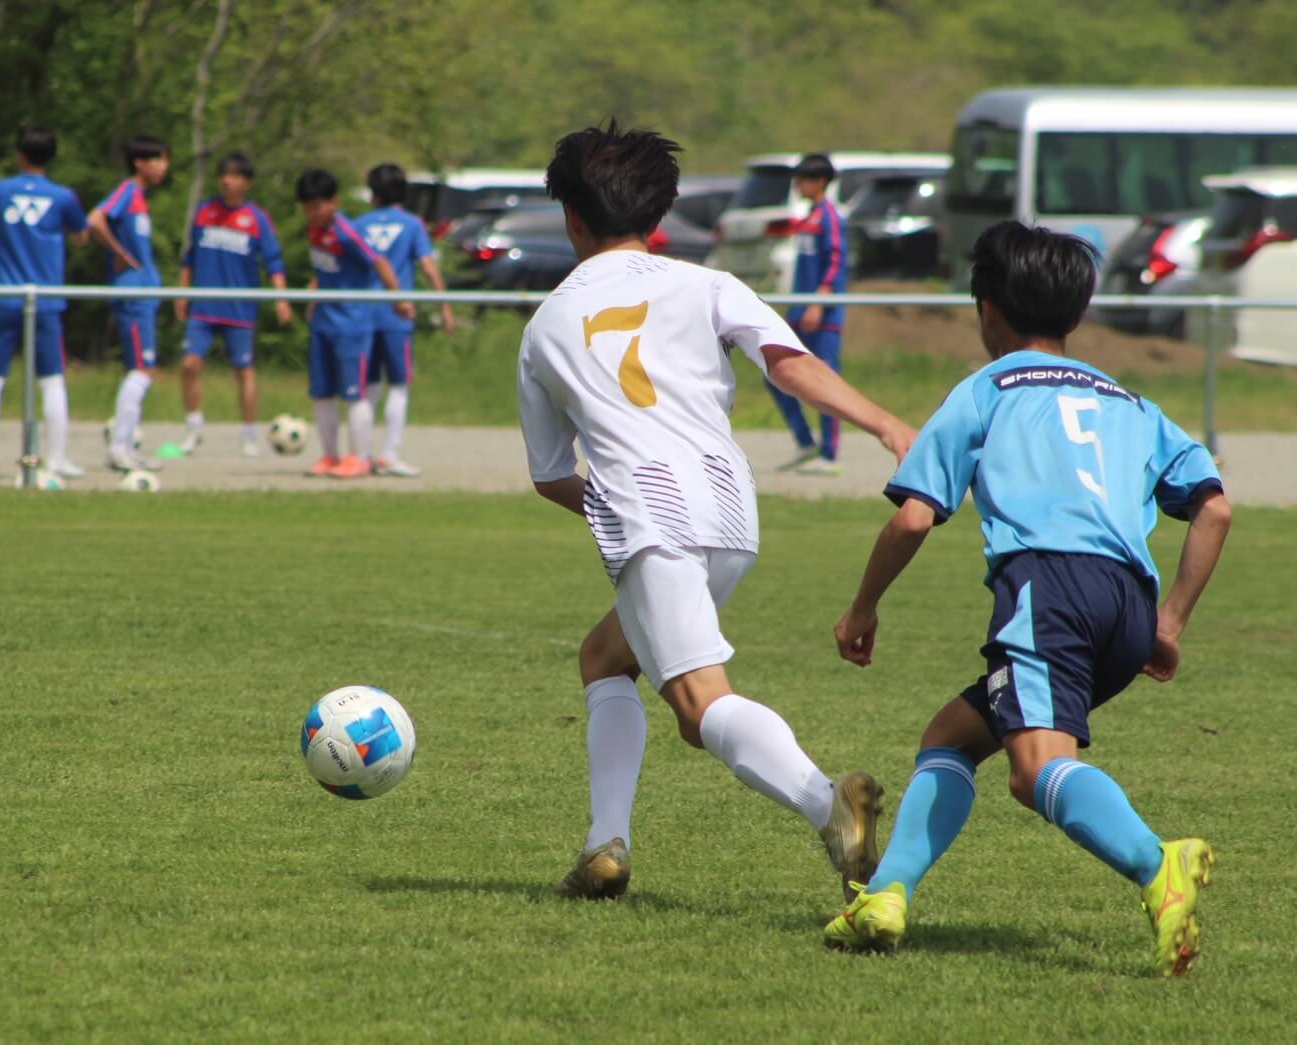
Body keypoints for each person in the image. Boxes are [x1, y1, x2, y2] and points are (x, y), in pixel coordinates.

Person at [516, 121, 916, 901]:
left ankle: (827, 805)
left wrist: (615, 505)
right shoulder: (705, 283)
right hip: (730, 505)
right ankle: (604, 844)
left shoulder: (546, 324)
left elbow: (549, 474)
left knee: (700, 706)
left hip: (646, 509)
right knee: (605, 658)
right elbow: (786, 363)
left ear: (571, 218)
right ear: (656, 215)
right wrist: (882, 423)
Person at [824, 221, 1231, 978]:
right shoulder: (1131, 403)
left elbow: (914, 513)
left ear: (986, 311)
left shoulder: (987, 388)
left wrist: (862, 608)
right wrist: (1168, 622)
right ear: (1075, 316)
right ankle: (882, 894)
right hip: (1126, 600)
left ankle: (1156, 862)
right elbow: (1213, 507)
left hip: (1048, 588)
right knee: (949, 734)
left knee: (1033, 767)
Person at [0, 127, 89, 480]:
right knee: (52, 379)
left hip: (4, 296)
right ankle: (57, 459)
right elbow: (81, 237)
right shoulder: (64, 197)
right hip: (45, 299)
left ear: (19, 154)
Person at [175, 152, 291, 457]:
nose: (228, 181)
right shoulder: (205, 211)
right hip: (204, 304)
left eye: (236, 175)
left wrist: (281, 298)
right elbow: (189, 257)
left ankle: (249, 434)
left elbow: (274, 262)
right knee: (190, 364)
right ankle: (193, 427)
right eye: (224, 174)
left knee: (243, 369)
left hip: (239, 307)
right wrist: (182, 292)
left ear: (247, 182)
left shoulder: (256, 218)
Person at [296, 168, 405, 479]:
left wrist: (398, 298)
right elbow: (330, 269)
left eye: (316, 206)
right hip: (323, 321)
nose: (311, 213)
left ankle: (359, 457)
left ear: (333, 202)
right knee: (322, 391)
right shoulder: (314, 231)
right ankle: (330, 455)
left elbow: (380, 262)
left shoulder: (348, 231)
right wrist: (315, 293)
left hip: (352, 323)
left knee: (353, 392)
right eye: (306, 207)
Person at [354, 163, 454, 477]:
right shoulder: (411, 224)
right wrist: (444, 307)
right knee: (398, 384)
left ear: (373, 193)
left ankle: (363, 454)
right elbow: (428, 266)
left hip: (363, 313)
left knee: (367, 386)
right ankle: (389, 454)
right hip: (398, 313)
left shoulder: (358, 224)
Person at [90, 135, 169, 472]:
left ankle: (128, 445)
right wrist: (119, 253)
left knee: (142, 370)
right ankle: (119, 446)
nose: (163, 167)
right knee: (141, 370)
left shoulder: (141, 199)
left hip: (145, 293)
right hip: (133, 294)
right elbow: (95, 219)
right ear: (140, 162)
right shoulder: (127, 191)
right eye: (158, 159)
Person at [768, 153, 847, 476]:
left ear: (819, 181)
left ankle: (829, 454)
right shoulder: (808, 217)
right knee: (775, 374)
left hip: (822, 316)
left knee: (826, 380)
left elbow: (836, 259)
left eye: (802, 178)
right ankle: (804, 441)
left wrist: (819, 300)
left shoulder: (830, 217)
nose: (797, 184)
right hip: (799, 313)